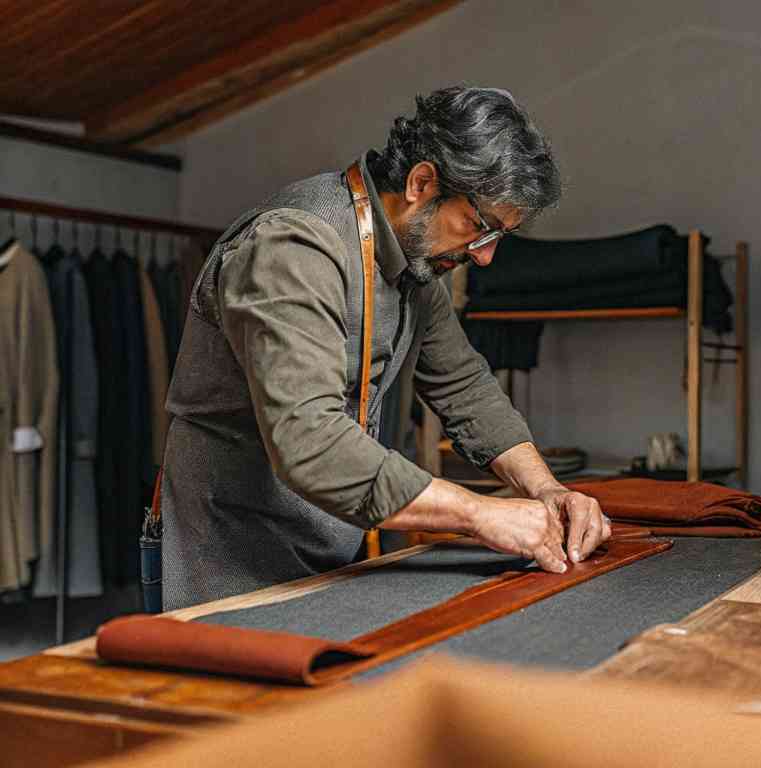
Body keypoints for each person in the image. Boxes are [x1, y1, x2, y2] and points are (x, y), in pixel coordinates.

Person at [160, 86, 611, 610]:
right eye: (480, 226)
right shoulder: (294, 245)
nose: (486, 257)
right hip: (231, 555)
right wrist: (480, 514)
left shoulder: (415, 267)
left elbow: (465, 387)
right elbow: (310, 442)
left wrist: (545, 489)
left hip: (329, 546)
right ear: (422, 183)